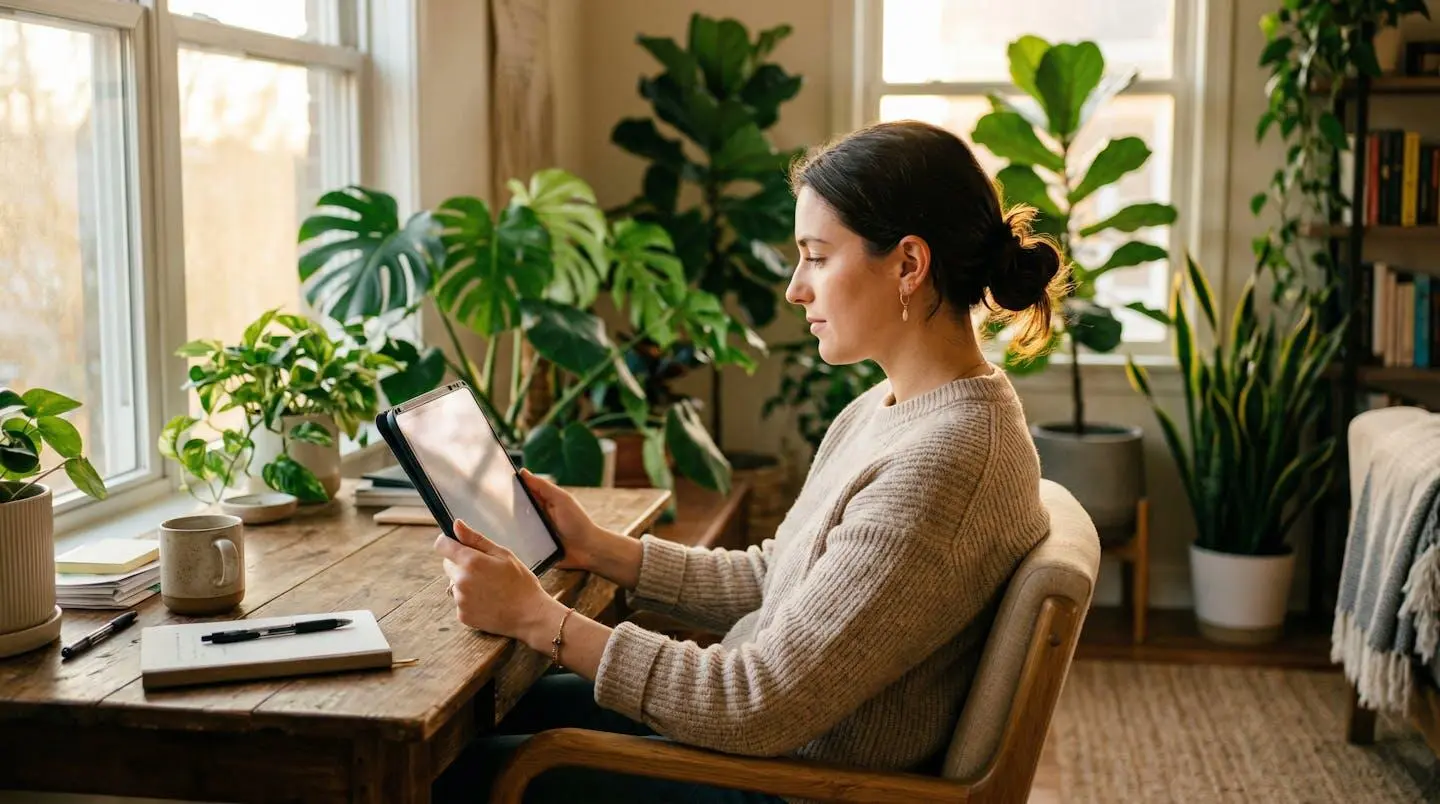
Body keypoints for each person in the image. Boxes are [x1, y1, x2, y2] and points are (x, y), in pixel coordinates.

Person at [431, 119, 1067, 803]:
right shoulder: (894, 408)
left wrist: (539, 619)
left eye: (817, 257)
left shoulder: (947, 461)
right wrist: (600, 549)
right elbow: (780, 577)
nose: (795, 288)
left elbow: (757, 702)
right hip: (765, 753)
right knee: (492, 720)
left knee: (451, 773)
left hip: (786, 784)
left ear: (909, 265)